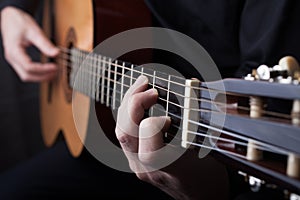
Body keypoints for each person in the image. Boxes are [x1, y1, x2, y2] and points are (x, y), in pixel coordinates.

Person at [1, 0, 300, 199]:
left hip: (200, 152)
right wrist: (12, 9)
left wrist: (210, 186)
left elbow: (264, 108)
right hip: (104, 130)